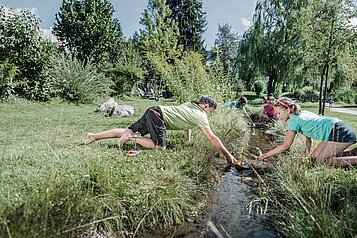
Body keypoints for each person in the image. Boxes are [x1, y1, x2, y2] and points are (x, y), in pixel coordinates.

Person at [85, 96, 240, 167]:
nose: (210, 114)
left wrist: (188, 142)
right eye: (211, 111)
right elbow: (212, 138)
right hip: (159, 116)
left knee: (127, 130)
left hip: (154, 110)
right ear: (205, 106)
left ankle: (94, 136)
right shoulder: (200, 115)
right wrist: (228, 155)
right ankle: (131, 139)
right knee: (158, 147)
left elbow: (187, 125)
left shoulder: (191, 105)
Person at [256, 97, 357, 166]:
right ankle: (353, 153)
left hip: (339, 132)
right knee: (313, 158)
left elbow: (286, 146)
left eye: (278, 113)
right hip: (335, 130)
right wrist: (308, 154)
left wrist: (264, 156)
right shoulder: (301, 114)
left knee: (321, 162)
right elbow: (309, 139)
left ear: (287, 110)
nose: (277, 116)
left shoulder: (293, 121)